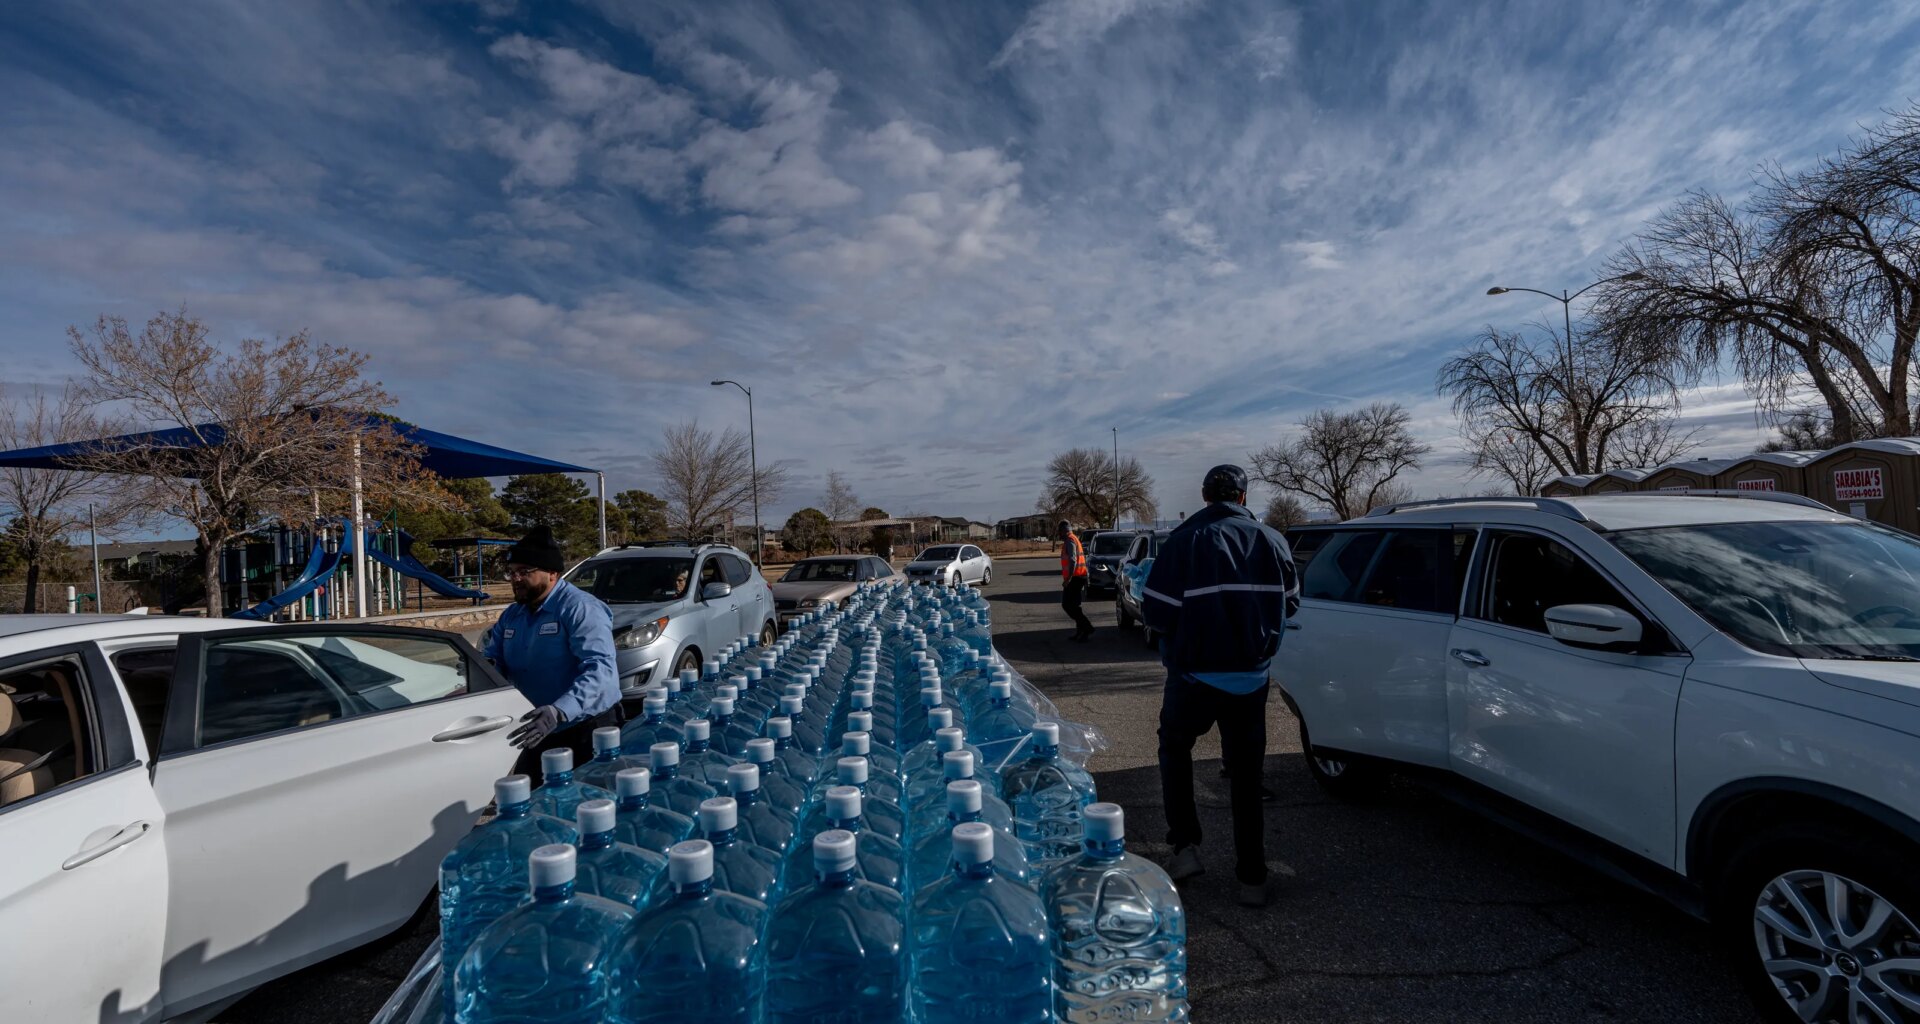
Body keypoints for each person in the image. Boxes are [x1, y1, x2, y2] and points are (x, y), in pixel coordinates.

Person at [1141, 465, 1298, 907]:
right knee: (1246, 776)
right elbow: (1291, 602)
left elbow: (1156, 613)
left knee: (1175, 749)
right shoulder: (1273, 541)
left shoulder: (1185, 542)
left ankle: (1185, 847)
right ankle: (1252, 878)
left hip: (1192, 675)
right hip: (1251, 679)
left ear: (1206, 496)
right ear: (1244, 498)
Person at [484, 525, 622, 787]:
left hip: (587, 727)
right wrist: (476, 676)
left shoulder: (580, 609)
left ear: (552, 573)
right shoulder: (513, 615)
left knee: (589, 806)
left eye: (524, 572)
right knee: (536, 803)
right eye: (511, 572)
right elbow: (493, 660)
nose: (515, 579)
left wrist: (560, 711)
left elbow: (600, 669)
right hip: (538, 726)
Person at [1057, 519, 1094, 641]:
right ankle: (1082, 632)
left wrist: (1068, 578)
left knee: (1067, 604)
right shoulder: (1073, 538)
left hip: (1075, 578)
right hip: (1079, 576)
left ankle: (1087, 627)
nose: (1059, 534)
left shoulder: (1070, 540)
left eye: (1059, 531)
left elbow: (1073, 560)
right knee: (1075, 605)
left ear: (1063, 530)